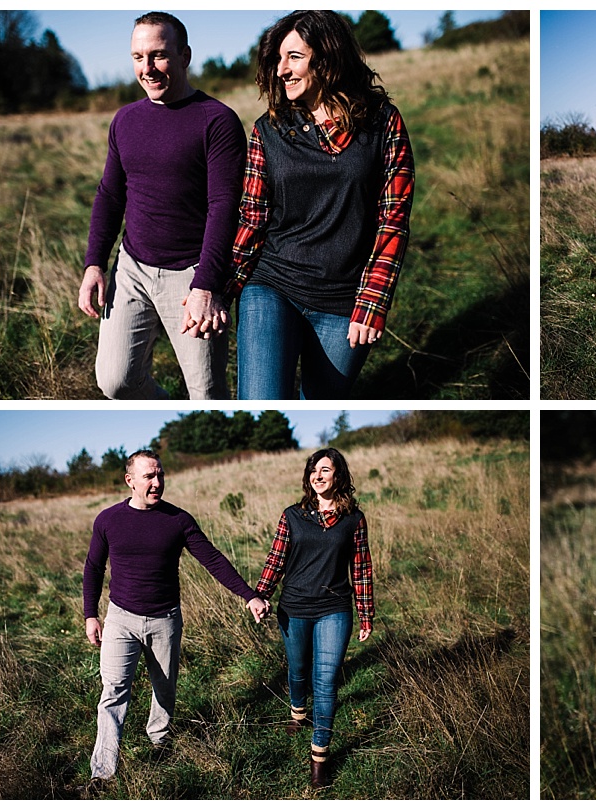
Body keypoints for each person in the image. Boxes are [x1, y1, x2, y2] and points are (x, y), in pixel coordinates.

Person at [228, 10, 415, 399]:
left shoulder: (383, 124)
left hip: (344, 298)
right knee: (262, 400)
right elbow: (252, 218)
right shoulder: (269, 130)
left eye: (293, 57)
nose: (281, 70)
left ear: (326, 57)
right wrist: (217, 287)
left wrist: (373, 300)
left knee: (317, 403)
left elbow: (392, 219)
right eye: (278, 59)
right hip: (273, 284)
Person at [77, 12, 246, 399]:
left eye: (158, 55)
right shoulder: (125, 120)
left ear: (185, 56)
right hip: (132, 268)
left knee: (206, 394)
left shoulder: (217, 121)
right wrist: (94, 264)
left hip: (190, 275)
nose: (147, 68)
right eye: (138, 57)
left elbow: (224, 206)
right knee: (115, 382)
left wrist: (207, 285)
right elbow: (110, 194)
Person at [82, 450, 269, 791]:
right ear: (130, 481)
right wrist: (90, 614)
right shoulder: (108, 520)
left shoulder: (178, 520)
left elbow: (212, 558)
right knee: (113, 691)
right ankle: (103, 771)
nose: (157, 483)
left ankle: (159, 741)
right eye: (149, 477)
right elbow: (93, 568)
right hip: (121, 618)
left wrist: (249, 595)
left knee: (164, 687)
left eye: (160, 475)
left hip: (165, 619)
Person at [254, 448, 375, 787]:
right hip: (293, 607)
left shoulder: (354, 519)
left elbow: (361, 568)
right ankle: (297, 711)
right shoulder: (292, 516)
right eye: (313, 471)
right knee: (298, 669)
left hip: (334, 609)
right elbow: (275, 560)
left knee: (325, 682)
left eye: (326, 470)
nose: (318, 476)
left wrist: (366, 613)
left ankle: (319, 757)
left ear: (339, 477)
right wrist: (261, 594)